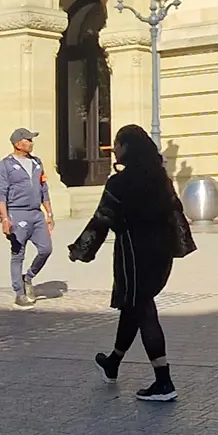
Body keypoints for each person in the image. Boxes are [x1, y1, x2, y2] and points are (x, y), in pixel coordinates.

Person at [69, 124, 191, 403]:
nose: (114, 149)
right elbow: (176, 212)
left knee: (143, 309)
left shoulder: (119, 183)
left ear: (127, 148)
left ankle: (163, 381)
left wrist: (82, 249)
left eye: (117, 144)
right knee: (133, 307)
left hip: (134, 254)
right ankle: (113, 362)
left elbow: (102, 219)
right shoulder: (160, 179)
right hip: (160, 253)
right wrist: (179, 244)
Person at [0, 128, 54, 306]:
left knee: (46, 249)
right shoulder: (6, 164)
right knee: (18, 254)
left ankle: (28, 277)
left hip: (36, 213)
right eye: (28, 140)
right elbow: (1, 193)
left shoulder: (37, 162)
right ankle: (19, 293)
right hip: (17, 212)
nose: (31, 143)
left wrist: (49, 213)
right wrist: (5, 218)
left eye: (31, 140)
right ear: (17, 143)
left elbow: (44, 188)